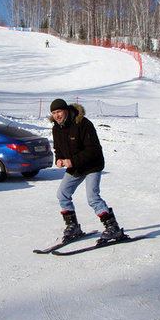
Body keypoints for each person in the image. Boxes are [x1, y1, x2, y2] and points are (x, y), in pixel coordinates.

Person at [49, 98, 126, 243]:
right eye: (54, 113)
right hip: (76, 167)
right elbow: (58, 148)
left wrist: (71, 161)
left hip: (92, 165)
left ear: (66, 110)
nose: (57, 115)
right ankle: (73, 226)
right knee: (62, 194)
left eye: (59, 111)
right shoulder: (56, 128)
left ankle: (112, 227)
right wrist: (59, 159)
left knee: (92, 197)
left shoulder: (83, 124)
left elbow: (93, 150)